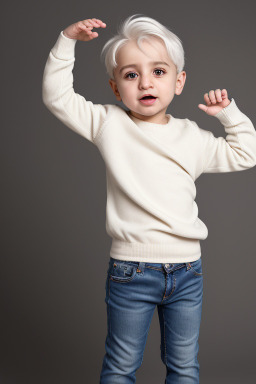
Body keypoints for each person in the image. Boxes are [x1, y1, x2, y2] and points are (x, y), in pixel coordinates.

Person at [42, 14, 256, 384]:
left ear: (179, 81)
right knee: (122, 366)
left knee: (185, 367)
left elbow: (245, 154)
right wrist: (67, 40)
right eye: (130, 75)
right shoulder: (109, 124)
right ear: (115, 88)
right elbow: (57, 96)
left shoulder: (193, 137)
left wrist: (229, 115)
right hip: (131, 271)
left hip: (188, 271)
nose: (145, 82)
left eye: (158, 71)